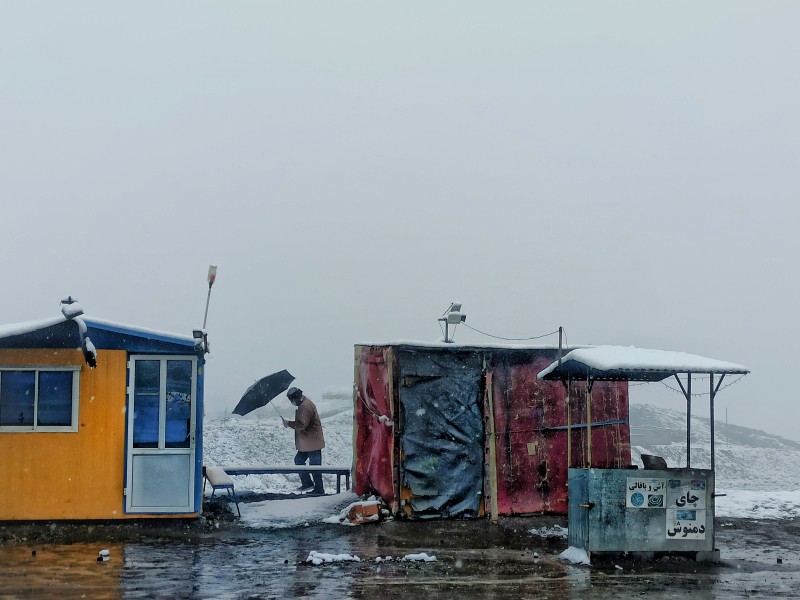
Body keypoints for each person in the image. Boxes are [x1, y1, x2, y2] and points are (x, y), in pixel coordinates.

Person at [282, 386, 325, 494]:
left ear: (295, 398)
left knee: (314, 467)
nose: (292, 403)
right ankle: (308, 484)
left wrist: (288, 423)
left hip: (312, 443)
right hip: (309, 442)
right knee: (300, 461)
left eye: (292, 400)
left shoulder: (305, 406)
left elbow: (302, 425)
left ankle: (318, 489)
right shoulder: (305, 404)